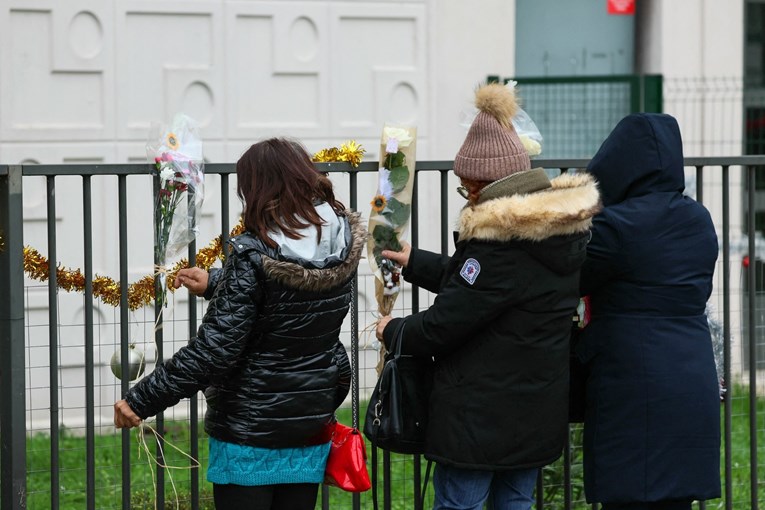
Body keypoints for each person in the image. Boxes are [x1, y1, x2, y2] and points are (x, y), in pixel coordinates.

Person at [374, 83, 601, 510]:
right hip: (535, 408)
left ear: (483, 185)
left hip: (481, 416)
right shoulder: (557, 232)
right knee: (515, 502)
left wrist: (395, 330)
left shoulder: (499, 244)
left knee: (462, 504)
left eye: (466, 188)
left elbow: (448, 322)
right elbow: (485, 289)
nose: (466, 196)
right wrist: (415, 260)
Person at [114, 137, 367, 510]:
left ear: (259, 189)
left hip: (251, 430)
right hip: (308, 420)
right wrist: (218, 281)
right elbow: (292, 302)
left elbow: (214, 352)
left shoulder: (254, 252)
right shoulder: (338, 240)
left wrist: (141, 398)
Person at [574, 113, 721, 510]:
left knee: (630, 498)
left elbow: (568, 278)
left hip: (633, 388)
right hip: (691, 381)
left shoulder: (617, 226)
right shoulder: (699, 219)